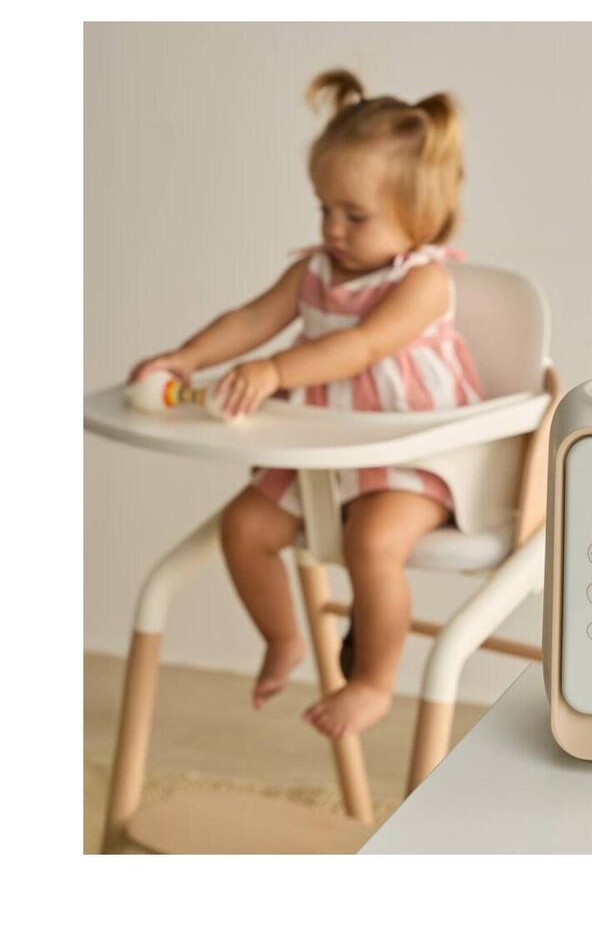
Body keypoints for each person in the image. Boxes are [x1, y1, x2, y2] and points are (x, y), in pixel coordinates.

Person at [129, 68, 482, 738]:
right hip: (322, 451)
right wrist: (189, 358)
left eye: (355, 215)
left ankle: (374, 681)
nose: (333, 229)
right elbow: (251, 319)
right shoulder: (313, 270)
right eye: (324, 209)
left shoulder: (424, 283)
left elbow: (361, 347)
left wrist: (275, 369)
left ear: (421, 214)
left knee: (372, 542)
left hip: (411, 455)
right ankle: (283, 638)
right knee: (244, 527)